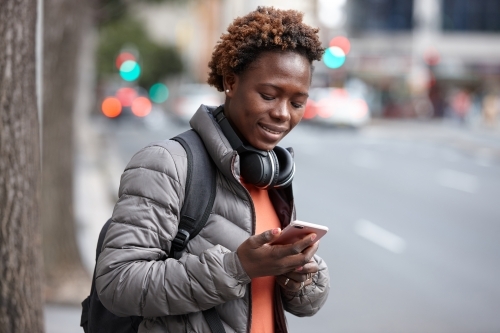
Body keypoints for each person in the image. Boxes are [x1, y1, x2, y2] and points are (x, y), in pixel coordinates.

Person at [96, 6, 330, 333]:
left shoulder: (271, 175)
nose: (282, 114)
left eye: (296, 103)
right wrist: (237, 267)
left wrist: (298, 275)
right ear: (231, 82)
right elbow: (117, 283)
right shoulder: (166, 163)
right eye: (268, 95)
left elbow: (307, 304)